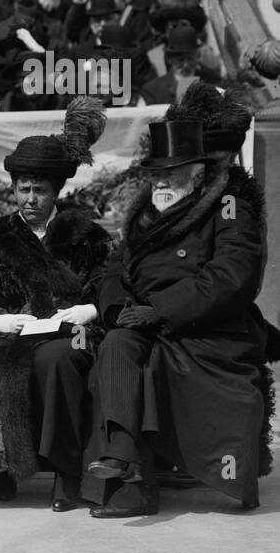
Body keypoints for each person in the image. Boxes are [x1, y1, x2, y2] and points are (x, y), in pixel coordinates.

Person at [84, 97, 272, 517]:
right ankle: (124, 464)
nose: (161, 182)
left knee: (129, 352)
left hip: (206, 330)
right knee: (115, 343)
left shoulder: (226, 209)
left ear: (198, 173)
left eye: (172, 173)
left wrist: (160, 310)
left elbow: (231, 279)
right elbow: (112, 274)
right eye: (155, 174)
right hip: (145, 324)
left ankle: (126, 470)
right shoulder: (142, 218)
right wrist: (119, 310)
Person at [0, 100, 111, 511]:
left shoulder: (86, 236)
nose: (30, 198)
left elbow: (107, 284)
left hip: (74, 330)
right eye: (23, 189)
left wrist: (90, 310)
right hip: (16, 332)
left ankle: (67, 472)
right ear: (12, 189)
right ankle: (5, 468)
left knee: (60, 359)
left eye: (40, 190)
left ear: (56, 192)